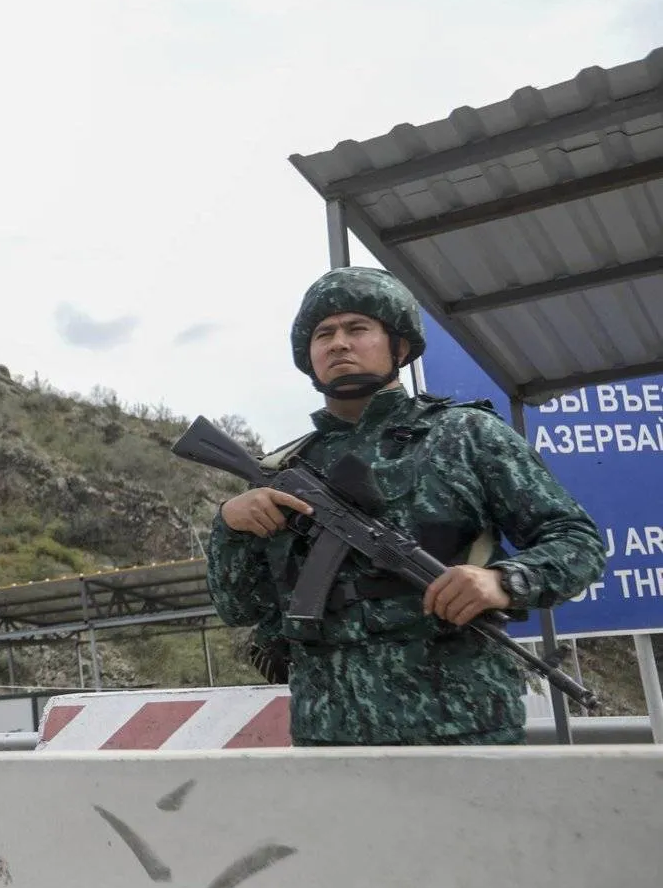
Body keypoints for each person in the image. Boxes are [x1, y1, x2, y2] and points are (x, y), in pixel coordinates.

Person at [205, 266, 606, 746]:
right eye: (323, 334)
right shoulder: (284, 467)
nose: (338, 344)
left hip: (461, 726)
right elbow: (239, 607)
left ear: (398, 345)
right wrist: (230, 525)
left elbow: (577, 542)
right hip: (328, 733)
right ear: (308, 355)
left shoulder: (465, 435)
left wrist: (503, 581)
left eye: (357, 328)